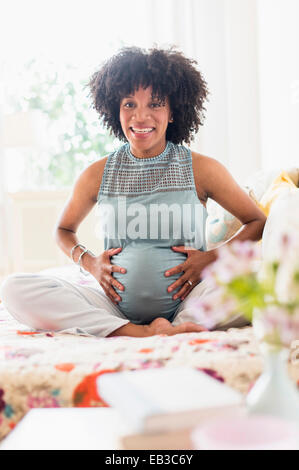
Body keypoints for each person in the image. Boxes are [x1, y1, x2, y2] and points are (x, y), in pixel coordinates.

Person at [0, 47, 266, 338]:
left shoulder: (202, 169)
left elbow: (256, 221)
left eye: (155, 104)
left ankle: (178, 325)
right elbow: (63, 229)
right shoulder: (97, 173)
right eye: (129, 104)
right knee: (14, 288)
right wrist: (90, 263)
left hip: (192, 300)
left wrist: (211, 258)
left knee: (270, 282)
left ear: (173, 111)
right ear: (115, 110)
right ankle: (134, 331)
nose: (141, 117)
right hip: (114, 307)